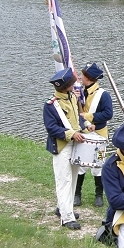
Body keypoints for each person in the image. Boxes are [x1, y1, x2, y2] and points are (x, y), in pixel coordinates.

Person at [43, 67, 89, 230]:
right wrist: (71, 134)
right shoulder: (51, 105)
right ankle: (67, 217)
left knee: (73, 179)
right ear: (65, 86)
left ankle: (63, 207)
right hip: (62, 145)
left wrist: (87, 125)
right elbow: (52, 128)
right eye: (71, 83)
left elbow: (77, 119)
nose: (74, 84)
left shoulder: (72, 98)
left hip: (75, 143)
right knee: (64, 180)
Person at [74, 62, 113, 208]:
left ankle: (98, 195)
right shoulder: (80, 92)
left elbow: (108, 114)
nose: (80, 77)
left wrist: (89, 116)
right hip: (83, 134)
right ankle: (77, 194)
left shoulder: (103, 95)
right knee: (80, 165)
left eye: (83, 75)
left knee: (99, 164)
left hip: (99, 135)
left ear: (88, 78)